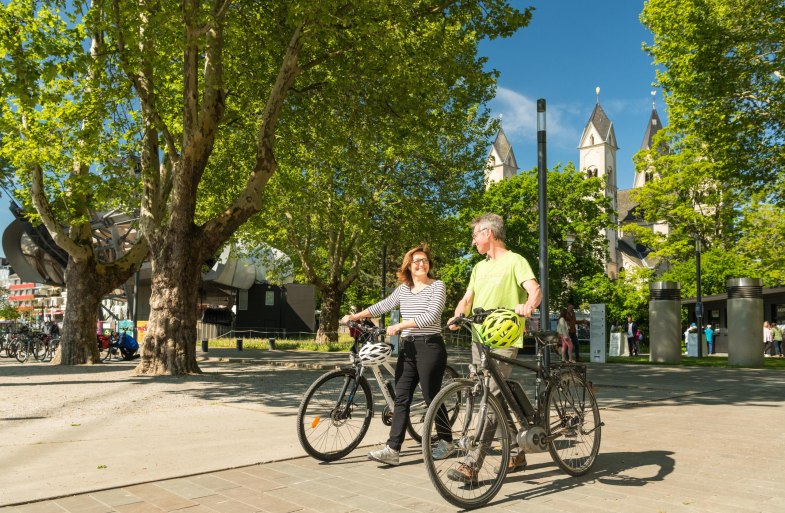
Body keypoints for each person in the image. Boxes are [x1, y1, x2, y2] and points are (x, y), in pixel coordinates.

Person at [446, 213, 542, 483]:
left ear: (488, 233)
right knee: (490, 396)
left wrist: (528, 306)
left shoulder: (515, 261)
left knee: (490, 397)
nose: (473, 240)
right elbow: (467, 299)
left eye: (475, 235)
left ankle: (471, 464)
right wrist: (457, 315)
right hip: (479, 339)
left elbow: (535, 289)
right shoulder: (479, 267)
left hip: (504, 338)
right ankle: (516, 453)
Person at [340, 244, 450, 466]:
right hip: (408, 348)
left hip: (430, 346)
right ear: (408, 266)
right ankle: (393, 449)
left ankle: (447, 442)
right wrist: (355, 316)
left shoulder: (437, 286)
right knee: (401, 397)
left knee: (431, 396)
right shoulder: (403, 289)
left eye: (425, 260)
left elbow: (431, 316)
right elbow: (383, 306)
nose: (421, 264)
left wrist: (400, 325)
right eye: (417, 261)